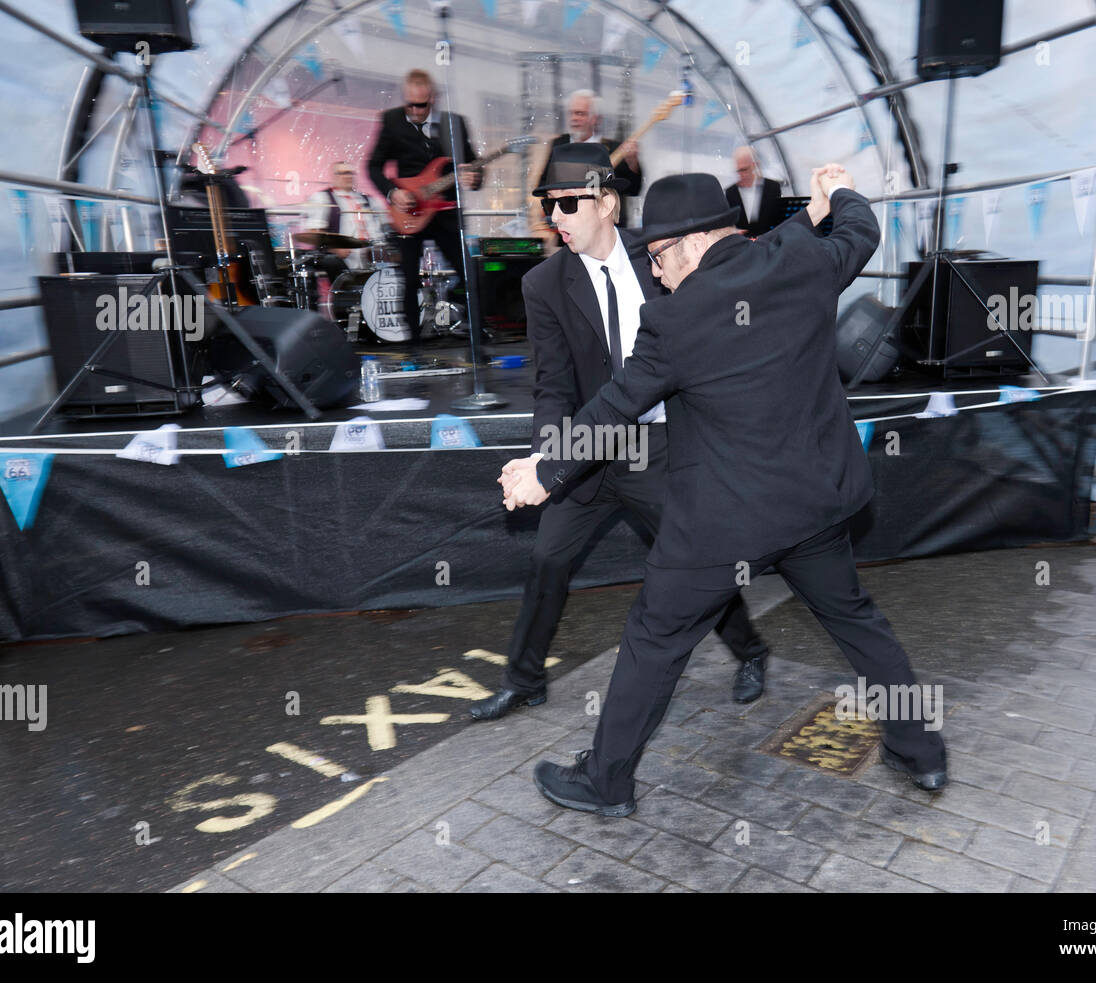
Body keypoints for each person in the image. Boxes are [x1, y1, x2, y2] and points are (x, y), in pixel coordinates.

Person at [501, 165, 948, 817]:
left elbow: (613, 408)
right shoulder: (802, 260)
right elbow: (863, 228)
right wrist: (834, 196)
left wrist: (545, 471)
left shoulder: (675, 321)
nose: (654, 272)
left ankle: (605, 780)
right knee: (858, 623)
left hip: (724, 524)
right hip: (817, 505)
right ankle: (923, 754)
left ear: (689, 242)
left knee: (655, 638)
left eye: (657, 256)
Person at [469, 142, 769, 724]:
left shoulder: (663, 254)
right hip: (586, 447)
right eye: (549, 206)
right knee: (548, 561)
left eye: (566, 204)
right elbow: (553, 384)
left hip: (656, 446)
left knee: (694, 560)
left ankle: (751, 651)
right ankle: (524, 680)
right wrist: (546, 461)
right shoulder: (545, 283)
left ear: (606, 202)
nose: (555, 218)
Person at [367, 69, 482, 352]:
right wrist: (394, 193)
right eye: (410, 105)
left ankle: (476, 335)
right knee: (408, 277)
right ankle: (413, 346)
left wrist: (474, 178)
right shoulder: (391, 120)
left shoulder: (453, 123)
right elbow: (372, 165)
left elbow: (473, 165)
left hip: (444, 211)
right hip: (408, 212)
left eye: (421, 105)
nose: (415, 111)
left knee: (469, 274)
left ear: (433, 98)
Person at [531, 90, 642, 238]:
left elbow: (633, 189)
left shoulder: (613, 149)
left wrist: (632, 162)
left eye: (580, 114)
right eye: (571, 113)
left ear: (595, 119)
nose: (574, 118)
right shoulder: (559, 145)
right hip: (567, 233)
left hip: (605, 232)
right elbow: (544, 184)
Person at [305, 161, 385, 281]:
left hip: (369, 255)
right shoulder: (322, 198)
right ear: (334, 177)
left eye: (350, 173)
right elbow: (314, 233)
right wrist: (335, 248)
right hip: (341, 257)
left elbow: (380, 230)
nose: (347, 176)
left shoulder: (368, 200)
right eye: (342, 173)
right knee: (331, 263)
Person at [724, 146, 783, 237]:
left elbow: (778, 219)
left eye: (744, 169)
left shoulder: (773, 187)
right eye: (738, 171)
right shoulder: (730, 192)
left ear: (755, 165)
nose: (741, 174)